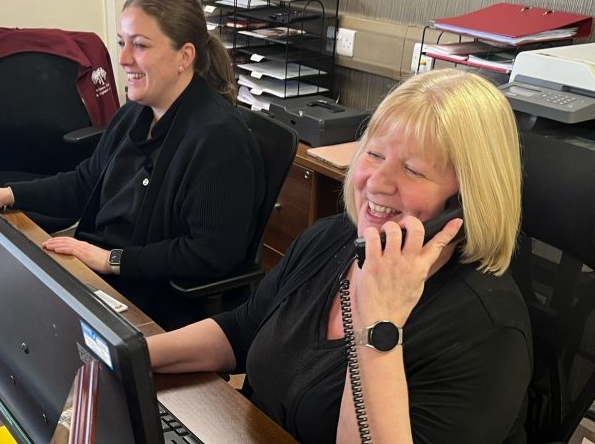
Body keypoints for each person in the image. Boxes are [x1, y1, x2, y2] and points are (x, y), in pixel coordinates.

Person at [147, 69, 532, 443]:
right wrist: (129, 354)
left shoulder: (488, 333)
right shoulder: (333, 239)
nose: (377, 182)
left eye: (413, 170)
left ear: (465, 201)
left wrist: (379, 320)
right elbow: (241, 330)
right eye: (375, 154)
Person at [0, 0, 264, 329]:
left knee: (8, 319)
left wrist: (112, 260)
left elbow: (207, 253)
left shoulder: (218, 139)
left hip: (148, 302)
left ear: (185, 57)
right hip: (97, 273)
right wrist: (6, 195)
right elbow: (85, 183)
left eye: (139, 45)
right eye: (122, 42)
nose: (123, 58)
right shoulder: (136, 113)